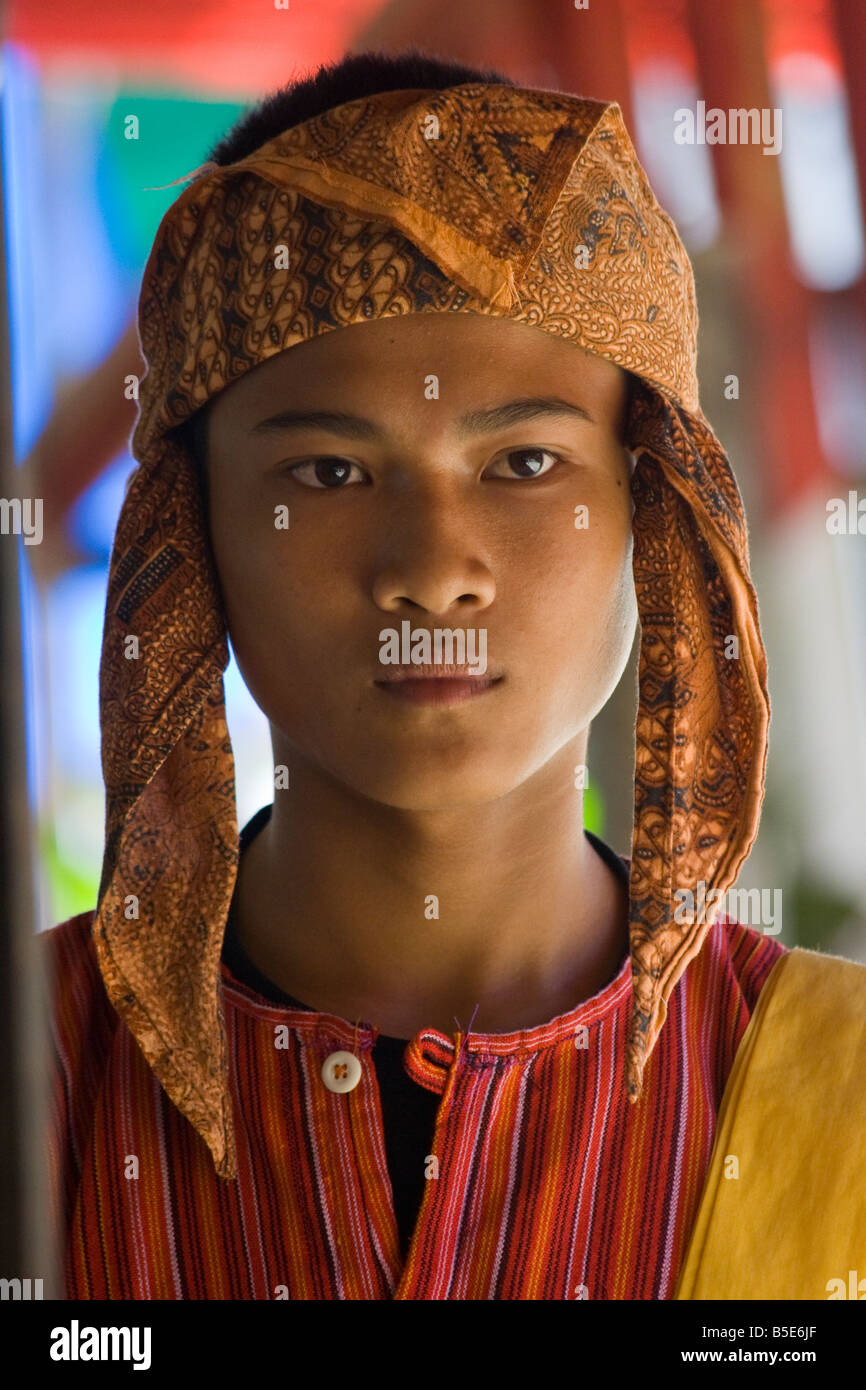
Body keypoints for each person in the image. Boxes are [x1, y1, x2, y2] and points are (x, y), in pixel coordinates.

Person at [45, 48, 866, 1302]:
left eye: (524, 463)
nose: (432, 572)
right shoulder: (34, 1083)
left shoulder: (842, 1098)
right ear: (190, 536)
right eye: (327, 471)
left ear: (654, 511)